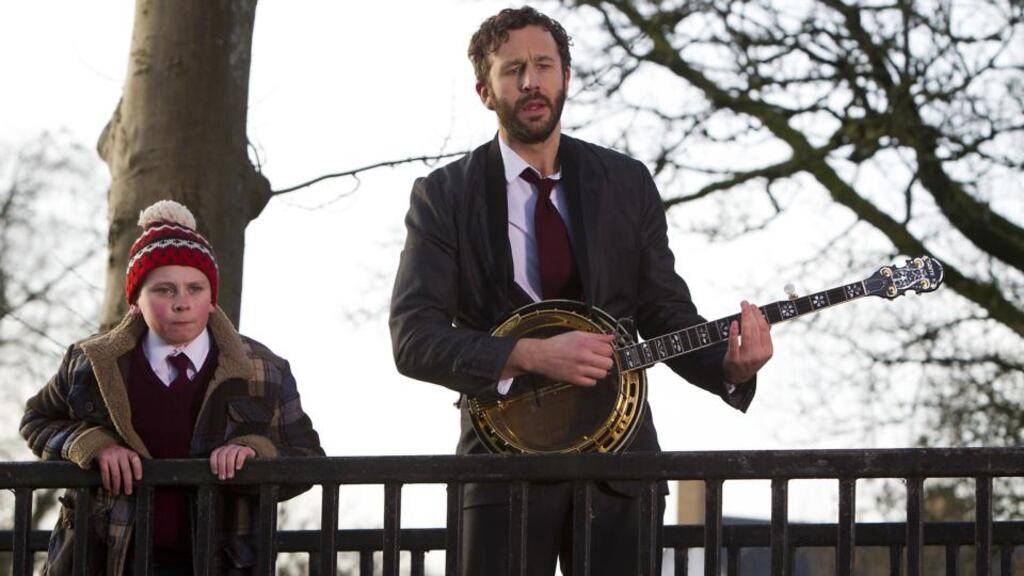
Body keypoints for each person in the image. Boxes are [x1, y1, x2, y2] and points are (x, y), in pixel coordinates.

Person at [389, 6, 773, 575]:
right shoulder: (443, 195)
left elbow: (664, 311)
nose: (531, 81)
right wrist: (529, 354)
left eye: (544, 65)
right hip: (500, 464)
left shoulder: (626, 182)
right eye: (513, 69)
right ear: (485, 92)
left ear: (566, 77)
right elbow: (413, 338)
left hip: (621, 467)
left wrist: (729, 367)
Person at [21, 200, 324, 576]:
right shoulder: (90, 363)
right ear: (136, 300)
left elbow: (308, 459)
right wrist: (91, 444)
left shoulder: (264, 370)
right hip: (104, 559)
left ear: (211, 299)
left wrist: (255, 452)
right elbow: (36, 421)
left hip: (222, 563)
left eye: (195, 289)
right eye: (164, 290)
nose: (182, 303)